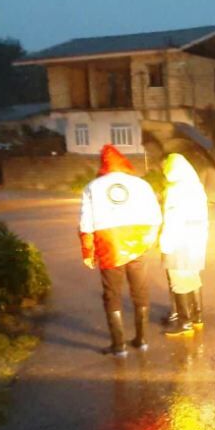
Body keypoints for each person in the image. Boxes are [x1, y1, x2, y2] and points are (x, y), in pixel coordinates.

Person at [79, 144, 162, 356]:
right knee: (140, 290)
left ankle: (119, 345)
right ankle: (141, 340)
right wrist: (149, 240)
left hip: (109, 244)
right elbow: (155, 216)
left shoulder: (92, 187)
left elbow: (86, 223)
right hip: (138, 241)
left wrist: (88, 253)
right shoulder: (141, 184)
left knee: (112, 294)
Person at [160, 153, 209, 336]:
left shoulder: (176, 190)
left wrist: (165, 245)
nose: (164, 171)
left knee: (179, 282)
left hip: (178, 242)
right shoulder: (196, 188)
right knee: (193, 278)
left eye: (166, 167)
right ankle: (197, 317)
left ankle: (184, 323)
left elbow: (172, 220)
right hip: (196, 241)